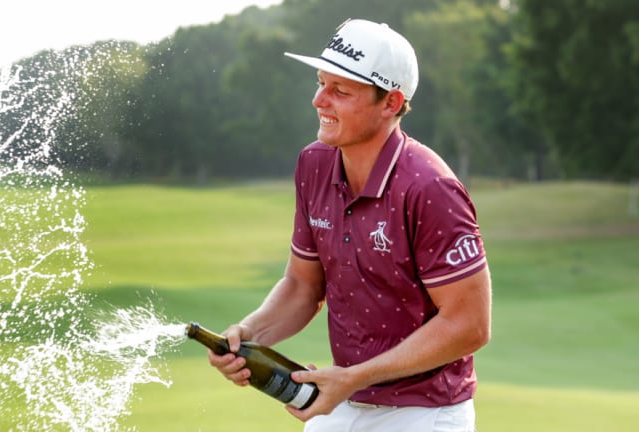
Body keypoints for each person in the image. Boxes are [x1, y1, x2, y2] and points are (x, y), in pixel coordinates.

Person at [208, 18, 492, 432]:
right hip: (345, 402)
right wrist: (249, 335)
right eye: (321, 83)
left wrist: (353, 378)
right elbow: (304, 286)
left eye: (341, 91)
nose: (320, 100)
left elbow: (470, 325)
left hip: (425, 413)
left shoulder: (431, 188)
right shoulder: (314, 163)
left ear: (391, 103)